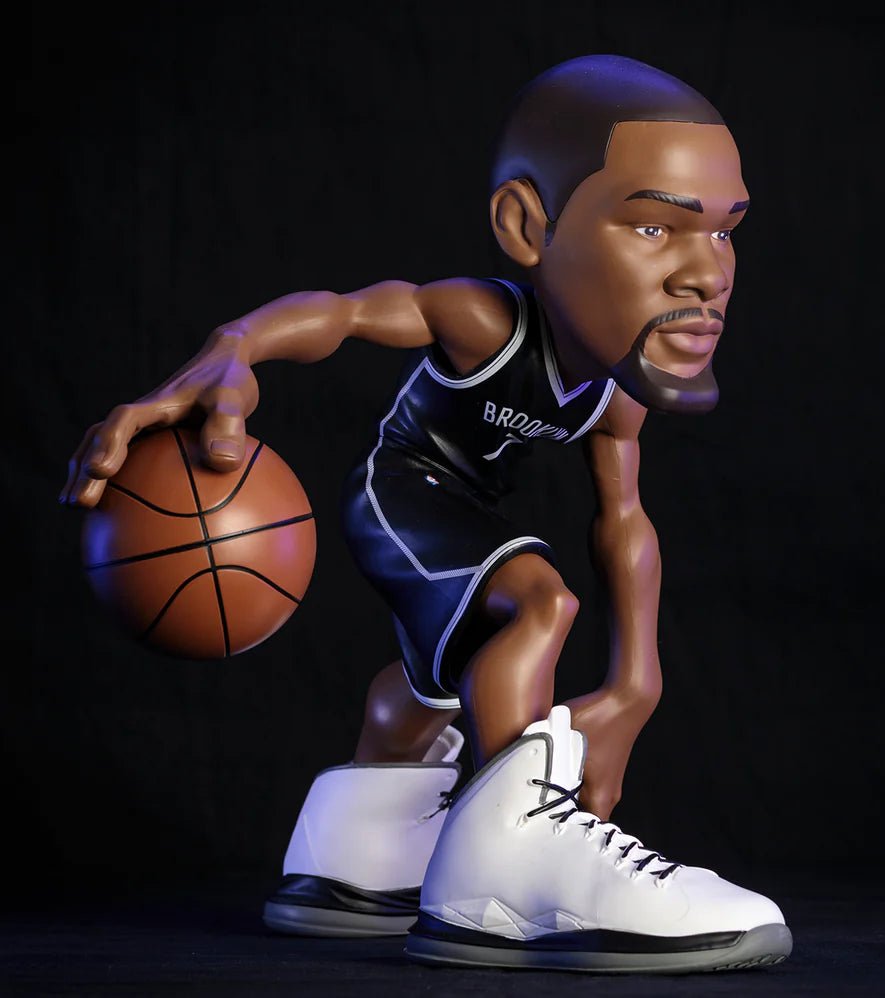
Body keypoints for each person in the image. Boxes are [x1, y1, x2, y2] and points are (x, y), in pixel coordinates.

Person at [60, 54, 792, 974]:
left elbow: (625, 523)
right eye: (654, 225)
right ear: (527, 227)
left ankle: (357, 857)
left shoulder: (617, 390)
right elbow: (352, 313)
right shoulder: (487, 323)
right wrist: (234, 346)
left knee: (437, 679)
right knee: (539, 603)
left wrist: (636, 681)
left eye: (724, 232)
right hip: (400, 487)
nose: (707, 273)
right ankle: (510, 857)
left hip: (464, 506)